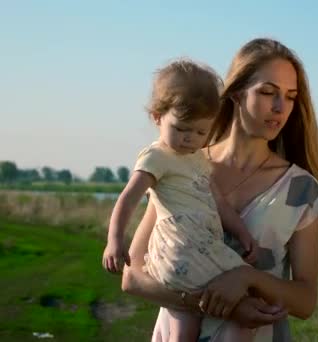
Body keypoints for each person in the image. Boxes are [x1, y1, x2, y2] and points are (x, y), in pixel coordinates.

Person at [121, 38, 318, 341]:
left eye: (289, 97)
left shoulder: (301, 192)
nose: (278, 107)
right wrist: (214, 305)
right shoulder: (180, 165)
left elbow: (305, 301)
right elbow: (132, 276)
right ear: (234, 94)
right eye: (267, 92)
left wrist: (246, 277)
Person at [102, 59, 261, 341]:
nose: (190, 139)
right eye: (181, 129)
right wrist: (115, 241)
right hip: (179, 249)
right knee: (190, 321)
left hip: (201, 245)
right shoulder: (157, 157)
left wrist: (242, 232)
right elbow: (128, 199)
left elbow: (219, 203)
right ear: (157, 116)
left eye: (201, 132)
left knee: (239, 285)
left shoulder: (197, 158)